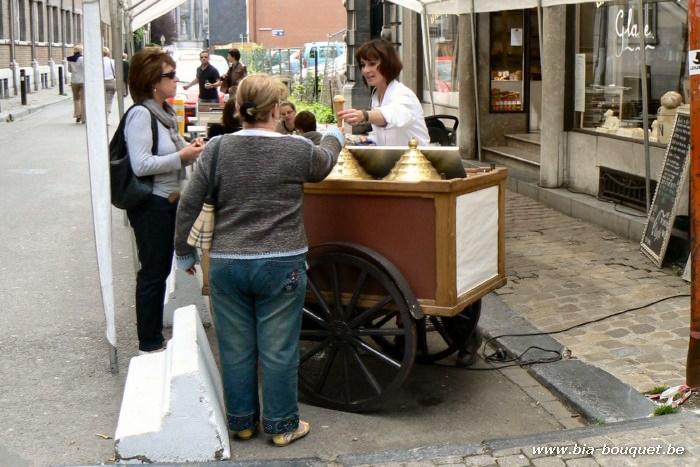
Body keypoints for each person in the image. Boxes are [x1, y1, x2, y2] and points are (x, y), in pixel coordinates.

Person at [174, 73, 343, 446]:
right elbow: (325, 161)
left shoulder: (217, 148)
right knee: (279, 348)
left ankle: (241, 423)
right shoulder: (295, 149)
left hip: (227, 261)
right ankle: (282, 426)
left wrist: (183, 250)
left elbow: (189, 202)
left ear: (239, 109)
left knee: (235, 347)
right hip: (281, 263)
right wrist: (335, 135)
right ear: (277, 111)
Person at [125, 47, 205, 354]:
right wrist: (182, 156)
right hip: (151, 204)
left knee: (159, 270)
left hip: (167, 200)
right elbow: (141, 164)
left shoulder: (165, 115)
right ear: (152, 81)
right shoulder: (141, 115)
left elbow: (174, 152)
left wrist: (191, 149)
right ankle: (149, 341)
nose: (176, 80)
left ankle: (153, 337)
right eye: (170, 75)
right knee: (153, 272)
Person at [336, 38, 429, 146]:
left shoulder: (403, 94)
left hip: (417, 161)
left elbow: (391, 116)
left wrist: (364, 115)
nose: (366, 70)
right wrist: (369, 139)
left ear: (387, 64)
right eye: (363, 65)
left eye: (372, 64)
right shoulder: (376, 96)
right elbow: (384, 135)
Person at [67, 45, 84, 123]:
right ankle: (84, 117)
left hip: (74, 81)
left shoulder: (70, 59)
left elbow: (69, 70)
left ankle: (77, 115)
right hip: (83, 81)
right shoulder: (83, 59)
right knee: (83, 99)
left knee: (76, 98)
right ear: (81, 51)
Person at [103, 47, 117, 117]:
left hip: (101, 82)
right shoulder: (112, 61)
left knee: (101, 100)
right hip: (111, 81)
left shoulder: (98, 62)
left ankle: (101, 113)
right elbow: (116, 72)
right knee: (109, 100)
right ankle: (107, 113)